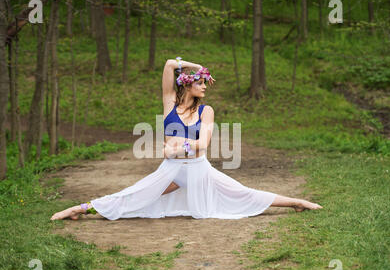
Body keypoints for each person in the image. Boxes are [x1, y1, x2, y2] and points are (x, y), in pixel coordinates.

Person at [51, 57, 322, 221]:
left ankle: (297, 202)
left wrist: (177, 145)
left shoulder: (207, 111)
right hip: (172, 171)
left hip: (199, 169)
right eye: (201, 81)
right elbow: (170, 64)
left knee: (242, 193)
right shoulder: (169, 104)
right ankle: (80, 208)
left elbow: (203, 144)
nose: (205, 86)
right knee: (136, 195)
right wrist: (198, 66)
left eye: (204, 81)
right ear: (188, 83)